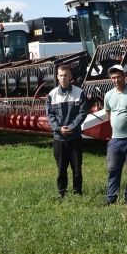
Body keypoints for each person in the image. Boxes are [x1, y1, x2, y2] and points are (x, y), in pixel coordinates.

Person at [45, 64, 88, 198]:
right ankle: (61, 192)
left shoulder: (79, 93)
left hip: (74, 137)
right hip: (59, 139)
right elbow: (50, 115)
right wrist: (59, 128)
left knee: (76, 168)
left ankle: (77, 191)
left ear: (70, 77)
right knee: (61, 168)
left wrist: (71, 127)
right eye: (61, 75)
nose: (63, 78)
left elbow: (82, 113)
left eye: (66, 75)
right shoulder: (52, 95)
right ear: (57, 77)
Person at [103, 64, 127, 204]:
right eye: (113, 77)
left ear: (124, 77)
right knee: (113, 168)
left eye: (118, 76)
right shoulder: (108, 95)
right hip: (115, 139)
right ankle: (111, 197)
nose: (116, 80)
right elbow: (108, 111)